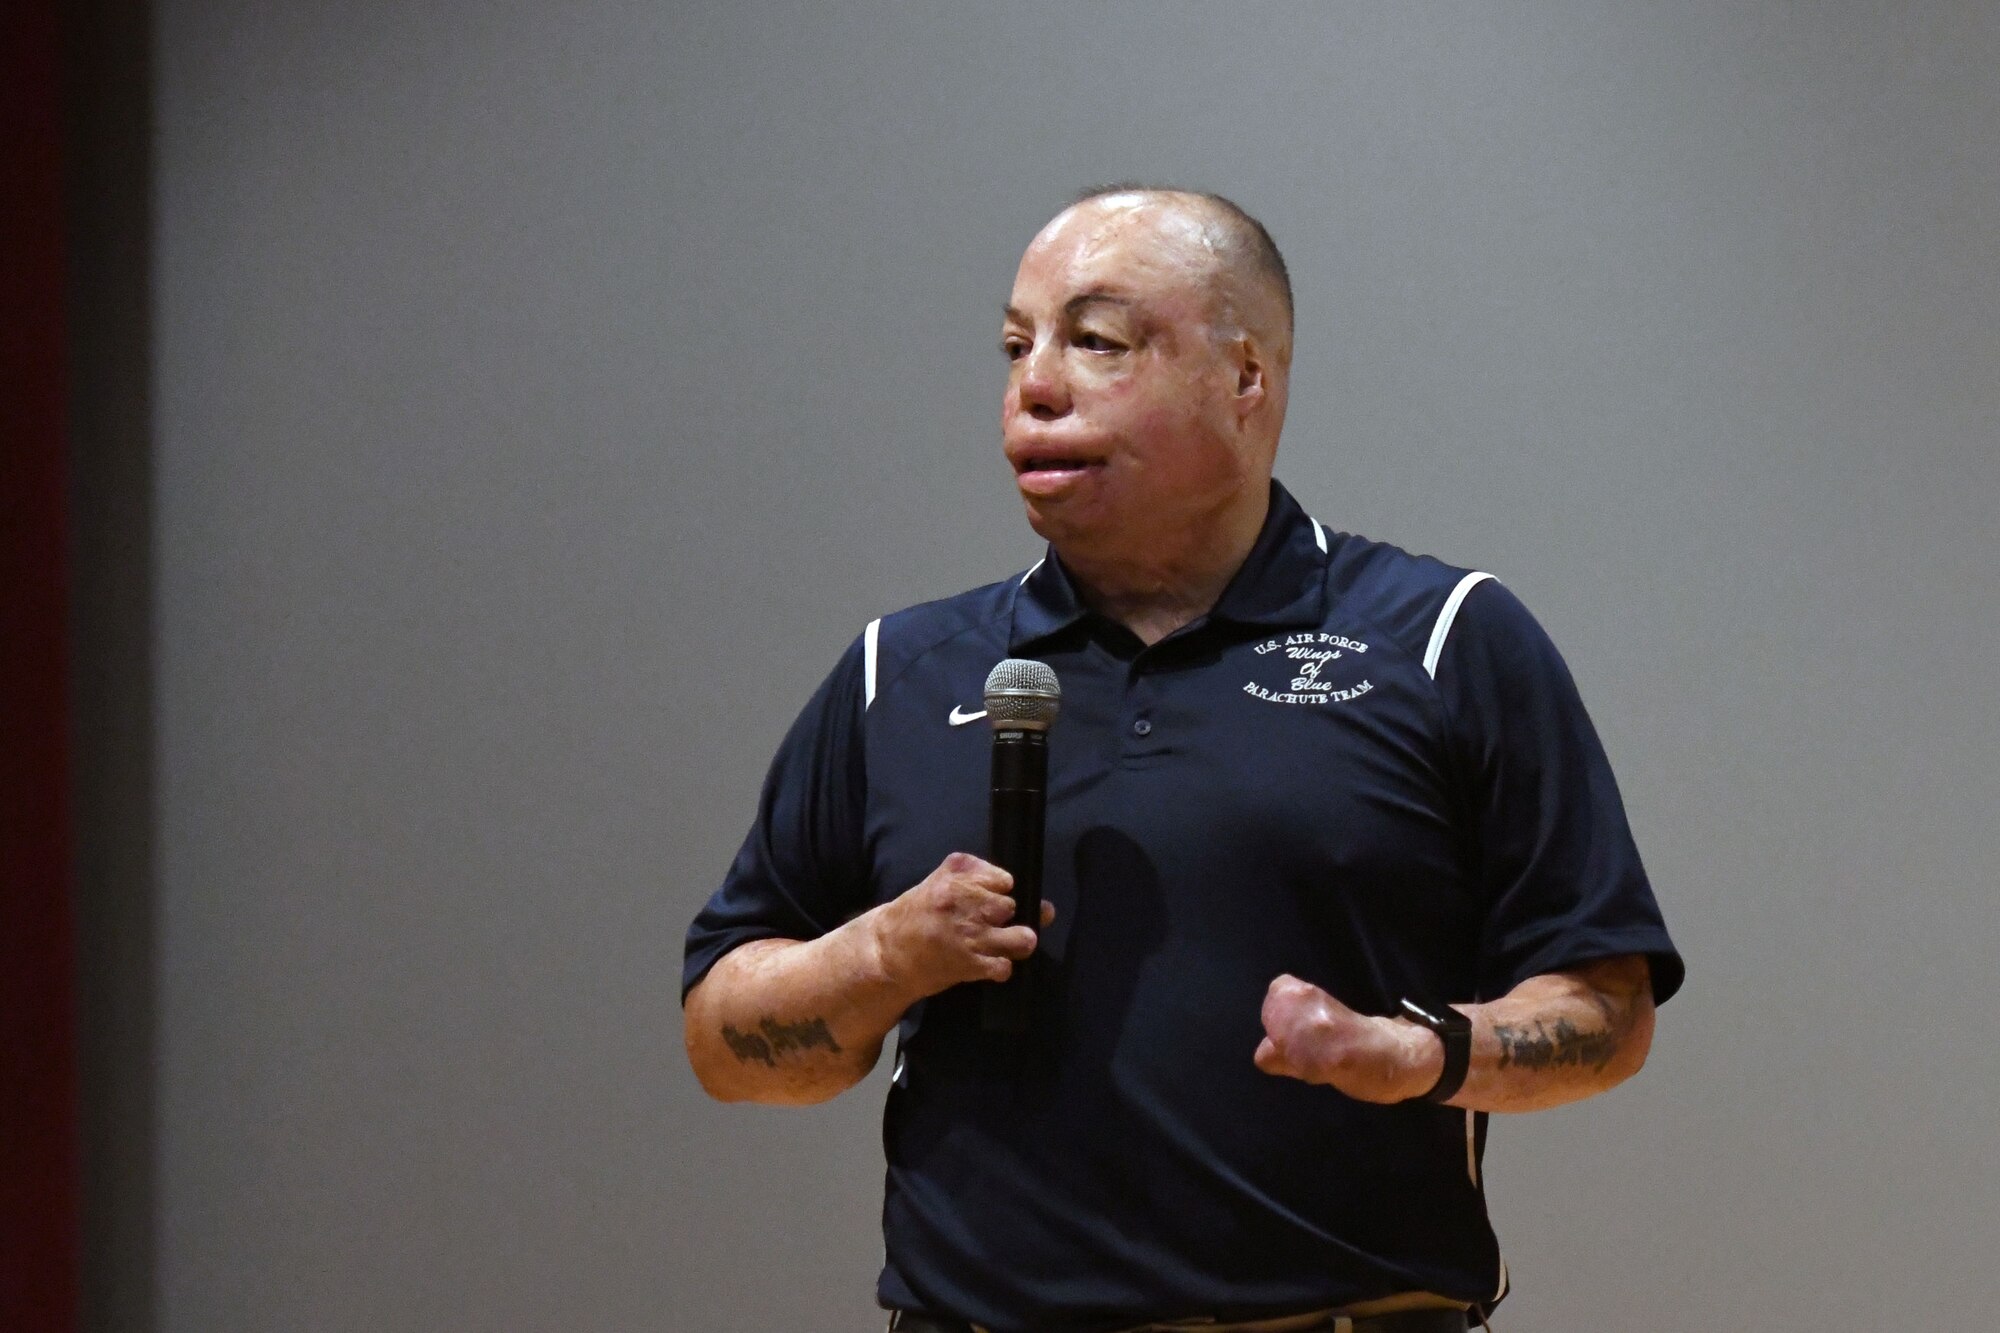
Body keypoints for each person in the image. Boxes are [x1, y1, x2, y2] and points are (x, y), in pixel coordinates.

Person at [681, 186, 1682, 1333]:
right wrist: (881, 956)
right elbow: (726, 1041)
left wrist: (1415, 1052)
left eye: (1096, 340)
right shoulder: (897, 669)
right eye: (1015, 344)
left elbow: (1606, 1012)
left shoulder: (1446, 637)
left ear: (1244, 379)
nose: (1035, 383)